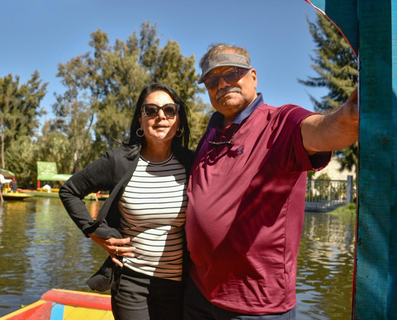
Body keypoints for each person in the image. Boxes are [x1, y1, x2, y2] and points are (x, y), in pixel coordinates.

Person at [183, 44, 359, 319]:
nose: (222, 84)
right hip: (199, 293)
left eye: (232, 73)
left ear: (253, 76)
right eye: (212, 80)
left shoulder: (281, 123)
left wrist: (350, 115)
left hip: (255, 306)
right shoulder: (212, 133)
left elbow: (325, 131)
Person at [59, 83, 194, 320]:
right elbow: (70, 191)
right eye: (151, 110)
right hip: (131, 283)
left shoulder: (192, 164)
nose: (160, 116)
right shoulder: (118, 161)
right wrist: (95, 233)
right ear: (140, 121)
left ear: (178, 120)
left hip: (179, 287)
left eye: (169, 110)